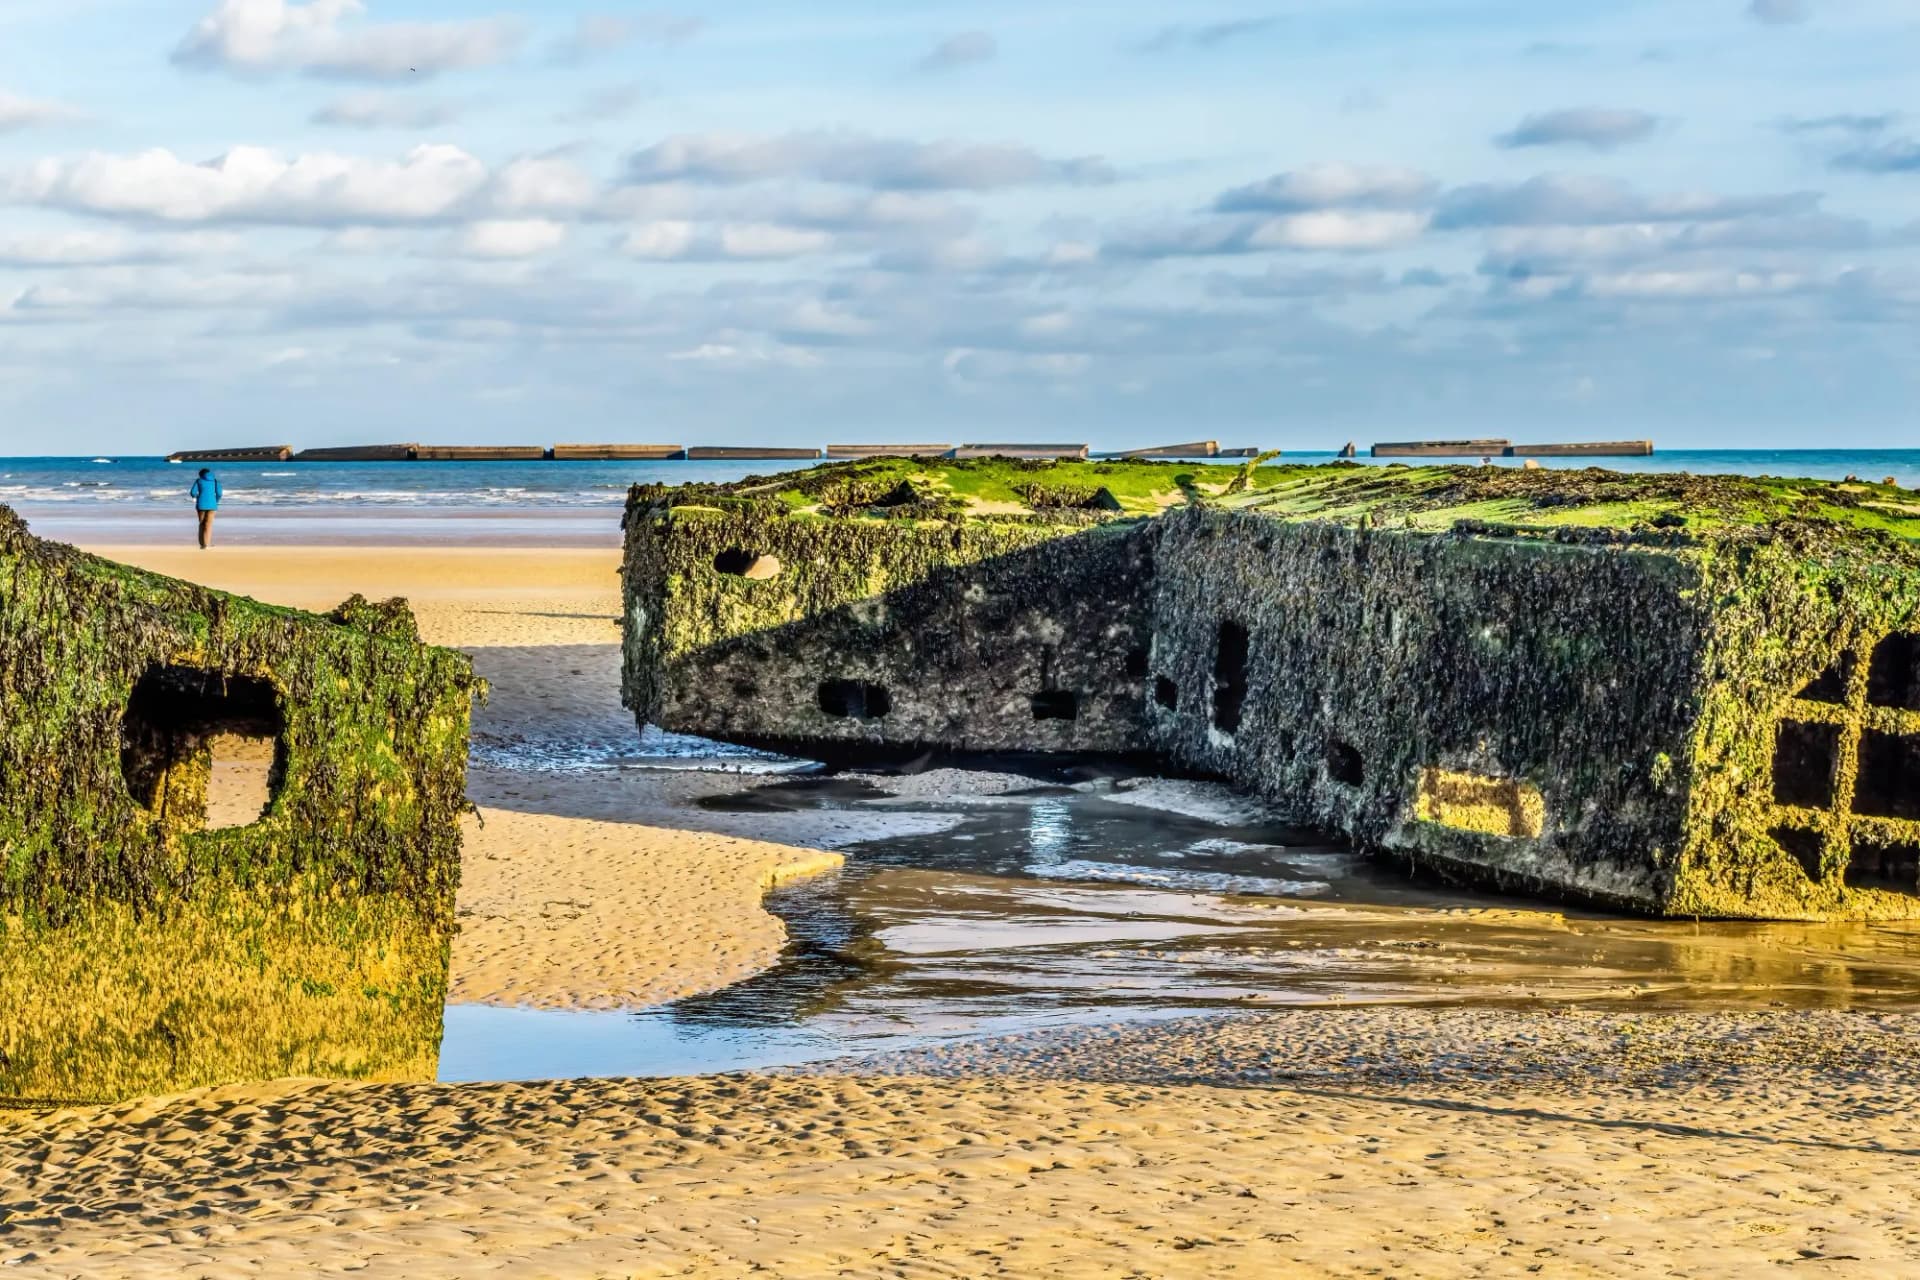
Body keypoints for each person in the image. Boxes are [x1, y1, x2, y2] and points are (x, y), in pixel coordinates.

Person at [190, 468, 223, 549]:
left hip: (201, 504)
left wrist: (196, 496)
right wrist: (216, 500)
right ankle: (207, 544)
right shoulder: (215, 481)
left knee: (202, 524)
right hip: (212, 505)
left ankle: (202, 544)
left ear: (201, 474)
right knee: (208, 525)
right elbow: (219, 493)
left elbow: (192, 493)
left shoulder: (199, 481)